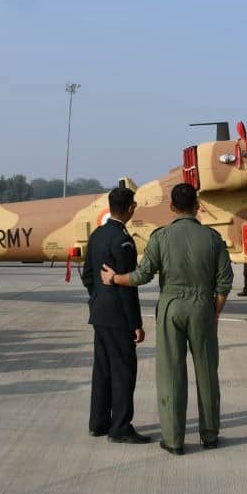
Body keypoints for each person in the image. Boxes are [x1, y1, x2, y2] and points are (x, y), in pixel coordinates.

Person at [102, 183, 233, 455]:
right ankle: (210, 435)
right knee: (207, 373)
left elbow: (142, 276)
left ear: (172, 208)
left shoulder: (160, 237)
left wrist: (114, 278)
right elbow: (224, 283)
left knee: (171, 374)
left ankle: (173, 440)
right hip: (202, 309)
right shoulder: (212, 238)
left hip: (171, 307)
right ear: (197, 206)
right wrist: (214, 313)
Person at [79, 187, 150, 444]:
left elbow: (87, 274)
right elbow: (127, 285)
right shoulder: (124, 241)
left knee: (102, 370)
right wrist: (136, 324)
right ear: (130, 208)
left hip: (100, 313)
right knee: (123, 372)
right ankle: (120, 426)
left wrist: (98, 297)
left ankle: (98, 423)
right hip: (118, 317)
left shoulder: (97, 235)